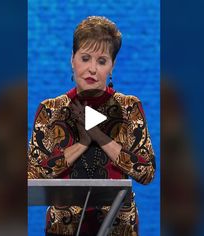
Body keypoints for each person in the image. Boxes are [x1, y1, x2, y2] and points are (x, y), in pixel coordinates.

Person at [28, 16, 155, 236]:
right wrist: (83, 143)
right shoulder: (50, 110)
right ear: (72, 59)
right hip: (63, 227)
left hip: (118, 226)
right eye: (85, 58)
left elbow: (146, 172)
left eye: (102, 61)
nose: (92, 69)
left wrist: (99, 136)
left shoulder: (128, 108)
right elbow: (33, 174)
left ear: (112, 66)